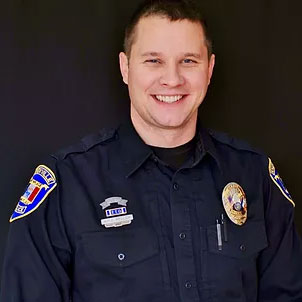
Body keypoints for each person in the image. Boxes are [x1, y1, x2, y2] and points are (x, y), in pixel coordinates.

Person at [1, 0, 302, 301]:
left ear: (209, 70)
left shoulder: (255, 177)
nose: (172, 79)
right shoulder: (67, 184)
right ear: (125, 67)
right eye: (153, 61)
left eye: (188, 61)